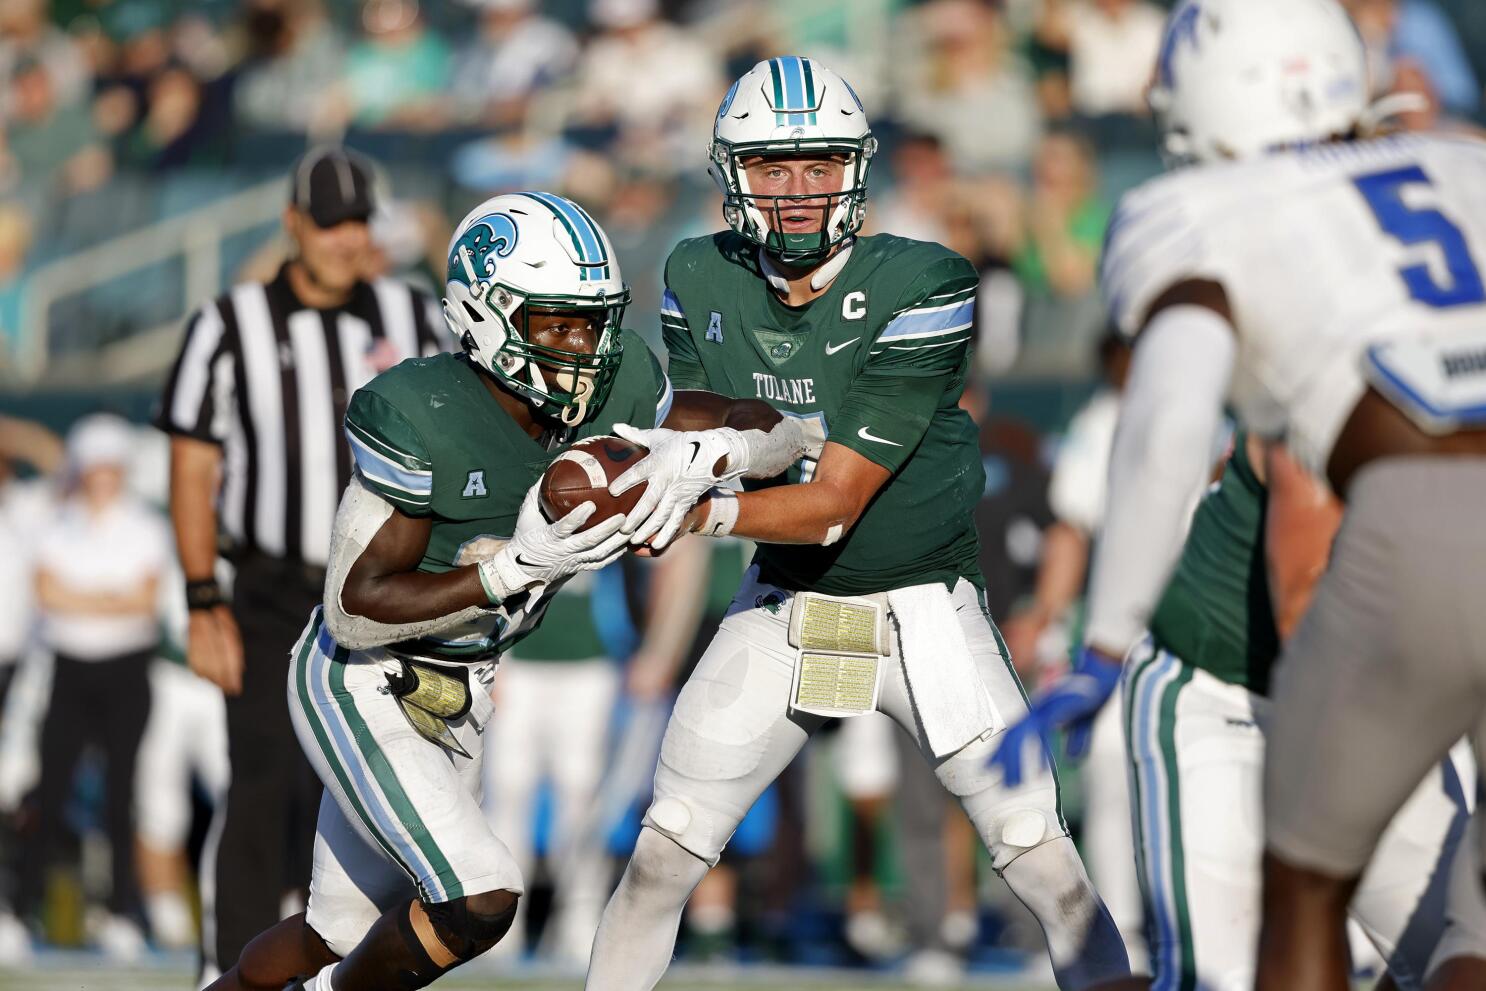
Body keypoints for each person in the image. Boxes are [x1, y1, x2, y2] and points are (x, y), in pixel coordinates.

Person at [584, 56, 1131, 991]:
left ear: (857, 168)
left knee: (1045, 864)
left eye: (819, 165)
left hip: (919, 610)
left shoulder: (924, 281)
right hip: (785, 607)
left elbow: (833, 504)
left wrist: (684, 508)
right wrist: (664, 461)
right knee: (662, 855)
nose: (798, 192)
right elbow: (700, 420)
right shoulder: (696, 272)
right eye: (772, 168)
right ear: (729, 174)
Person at [983, 1, 1486, 988]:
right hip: (1281, 656)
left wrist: (1103, 640)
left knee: (1307, 900)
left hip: (1381, 584)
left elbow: (1168, 425)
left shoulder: (1204, 211)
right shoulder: (1464, 163)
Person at [205, 190, 806, 991]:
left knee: (331, 930)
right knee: (478, 896)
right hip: (360, 679)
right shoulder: (421, 410)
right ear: (484, 315)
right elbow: (354, 609)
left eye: (592, 320)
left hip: (467, 684)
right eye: (556, 323)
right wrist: (509, 570)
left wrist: (712, 453)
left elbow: (777, 429)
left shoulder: (617, 383)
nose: (583, 345)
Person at [155, 146, 447, 981]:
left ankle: (345, 975)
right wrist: (202, 596)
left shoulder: (412, 314)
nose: (350, 240)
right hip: (275, 585)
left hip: (390, 595)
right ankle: (234, 973)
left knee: (375, 797)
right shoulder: (231, 322)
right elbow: (193, 467)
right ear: (294, 226)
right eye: (332, 224)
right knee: (262, 787)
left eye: (361, 221)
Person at [20, 414, 172, 959]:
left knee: (120, 793)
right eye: (94, 470)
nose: (101, 480)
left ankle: (123, 912)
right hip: (69, 668)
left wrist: (83, 597)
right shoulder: (57, 523)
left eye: (110, 470)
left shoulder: (145, 526)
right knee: (51, 786)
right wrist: (110, 597)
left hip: (125, 671)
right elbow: (46, 594)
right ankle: (19, 907)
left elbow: (144, 600)